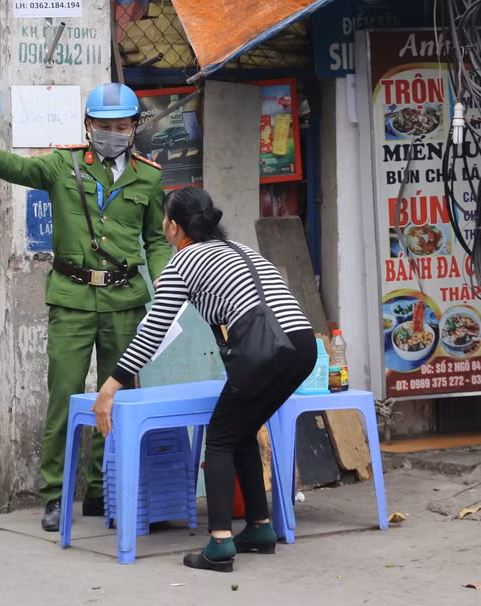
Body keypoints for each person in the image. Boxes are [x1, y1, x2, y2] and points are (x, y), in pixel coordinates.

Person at [0, 83, 172, 531]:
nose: (112, 133)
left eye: (120, 126)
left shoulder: (148, 176)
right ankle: (56, 493)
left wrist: (166, 273)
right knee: (65, 397)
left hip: (125, 301)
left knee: (119, 397)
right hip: (71, 298)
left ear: (133, 127)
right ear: (88, 127)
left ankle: (102, 488)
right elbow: (17, 168)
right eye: (103, 126)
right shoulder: (62, 164)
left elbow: (156, 239)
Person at [92, 187, 317, 572]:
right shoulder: (238, 247)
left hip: (263, 349)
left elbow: (153, 331)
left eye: (164, 219)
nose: (163, 226)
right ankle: (260, 529)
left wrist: (109, 387)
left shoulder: (182, 262)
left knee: (220, 438)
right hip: (302, 345)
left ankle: (219, 543)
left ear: (174, 227)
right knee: (242, 430)